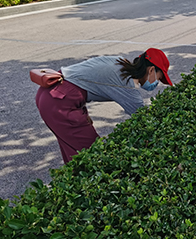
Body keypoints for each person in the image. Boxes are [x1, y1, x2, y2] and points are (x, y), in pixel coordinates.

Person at [36, 48, 173, 164]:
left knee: (74, 154)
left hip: (50, 92)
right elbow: (144, 119)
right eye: (159, 78)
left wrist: (82, 112)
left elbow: (82, 79)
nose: (157, 83)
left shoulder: (120, 62)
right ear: (151, 70)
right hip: (59, 101)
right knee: (93, 157)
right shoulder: (127, 83)